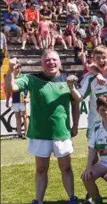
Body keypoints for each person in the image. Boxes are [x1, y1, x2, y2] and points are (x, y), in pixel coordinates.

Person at [4, 51, 81, 204]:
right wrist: (10, 69)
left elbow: (76, 104)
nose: (51, 62)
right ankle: (38, 200)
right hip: (40, 134)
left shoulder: (68, 80)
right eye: (47, 60)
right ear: (42, 63)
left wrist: (76, 126)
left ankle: (72, 198)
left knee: (66, 168)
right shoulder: (32, 79)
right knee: (40, 170)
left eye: (54, 59)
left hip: (62, 133)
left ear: (59, 62)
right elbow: (11, 87)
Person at [79, 46, 107, 138]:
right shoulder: (90, 78)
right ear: (94, 60)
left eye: (104, 57)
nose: (101, 60)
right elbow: (79, 97)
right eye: (97, 58)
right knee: (95, 151)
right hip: (96, 123)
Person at [4, 59, 29, 139]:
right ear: (14, 68)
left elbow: (29, 89)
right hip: (15, 101)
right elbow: (8, 90)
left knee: (25, 117)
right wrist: (7, 100)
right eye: (16, 68)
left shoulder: (24, 76)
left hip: (23, 100)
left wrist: (28, 98)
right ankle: (19, 134)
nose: (18, 69)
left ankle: (26, 133)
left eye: (19, 68)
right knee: (17, 118)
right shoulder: (11, 77)